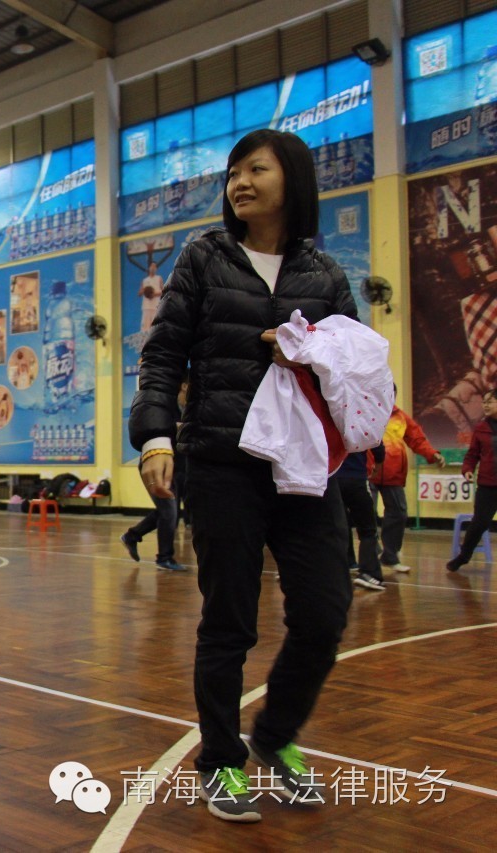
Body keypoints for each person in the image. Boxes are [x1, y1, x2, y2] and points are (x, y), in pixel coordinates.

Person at [130, 129, 361, 823]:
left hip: (306, 467)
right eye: (233, 172)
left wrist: (310, 359)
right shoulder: (205, 256)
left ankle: (277, 734)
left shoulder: (325, 273)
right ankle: (223, 760)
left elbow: (354, 366)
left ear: (292, 178)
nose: (240, 181)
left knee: (325, 612)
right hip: (224, 460)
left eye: (255, 168)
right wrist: (155, 436)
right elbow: (163, 353)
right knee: (228, 620)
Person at [368, 386, 445, 573]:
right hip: (368, 472)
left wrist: (432, 454)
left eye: (391, 394)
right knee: (366, 515)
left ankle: (390, 555)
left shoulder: (400, 416)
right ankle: (368, 558)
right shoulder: (366, 413)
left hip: (394, 474)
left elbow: (417, 439)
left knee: (399, 513)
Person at [447, 388, 497, 572]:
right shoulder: (481, 428)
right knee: (479, 523)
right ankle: (464, 555)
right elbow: (472, 455)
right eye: (484, 402)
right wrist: (467, 470)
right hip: (488, 485)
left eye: (489, 401)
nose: (485, 405)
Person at [335, 445, 386, 591]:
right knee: (368, 529)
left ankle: (340, 569)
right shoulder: (361, 421)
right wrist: (379, 462)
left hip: (331, 479)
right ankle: (369, 573)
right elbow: (376, 442)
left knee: (337, 526)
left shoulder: (327, 421)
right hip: (356, 478)